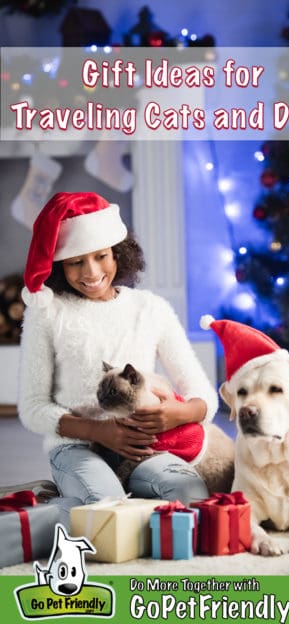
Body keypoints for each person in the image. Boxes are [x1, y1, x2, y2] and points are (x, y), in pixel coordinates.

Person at [18, 192, 218, 527]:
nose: (91, 272)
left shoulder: (150, 308)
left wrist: (178, 414)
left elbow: (204, 396)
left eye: (101, 256)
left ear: (119, 253)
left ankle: (80, 504)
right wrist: (100, 431)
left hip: (143, 451)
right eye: (75, 262)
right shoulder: (47, 312)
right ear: (58, 265)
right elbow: (33, 407)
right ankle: (41, 514)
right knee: (108, 510)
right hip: (75, 447)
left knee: (191, 494)